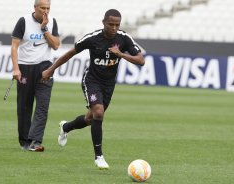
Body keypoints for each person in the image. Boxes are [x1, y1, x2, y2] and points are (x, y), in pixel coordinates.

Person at [42, 9, 145, 168]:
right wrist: (51, 69)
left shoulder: (124, 38)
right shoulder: (93, 38)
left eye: (117, 25)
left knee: (90, 118)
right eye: (110, 24)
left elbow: (140, 60)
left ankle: (66, 127)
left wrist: (121, 54)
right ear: (103, 22)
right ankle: (99, 157)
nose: (114, 28)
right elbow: (70, 53)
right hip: (91, 80)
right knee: (99, 112)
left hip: (108, 85)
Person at [11, 0, 60, 152]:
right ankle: (25, 141)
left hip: (45, 68)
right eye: (43, 8)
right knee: (24, 106)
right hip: (25, 67)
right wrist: (16, 69)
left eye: (48, 8)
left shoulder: (52, 22)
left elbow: (56, 45)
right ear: (35, 8)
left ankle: (35, 141)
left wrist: (44, 29)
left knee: (42, 106)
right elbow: (14, 46)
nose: (46, 11)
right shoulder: (23, 21)